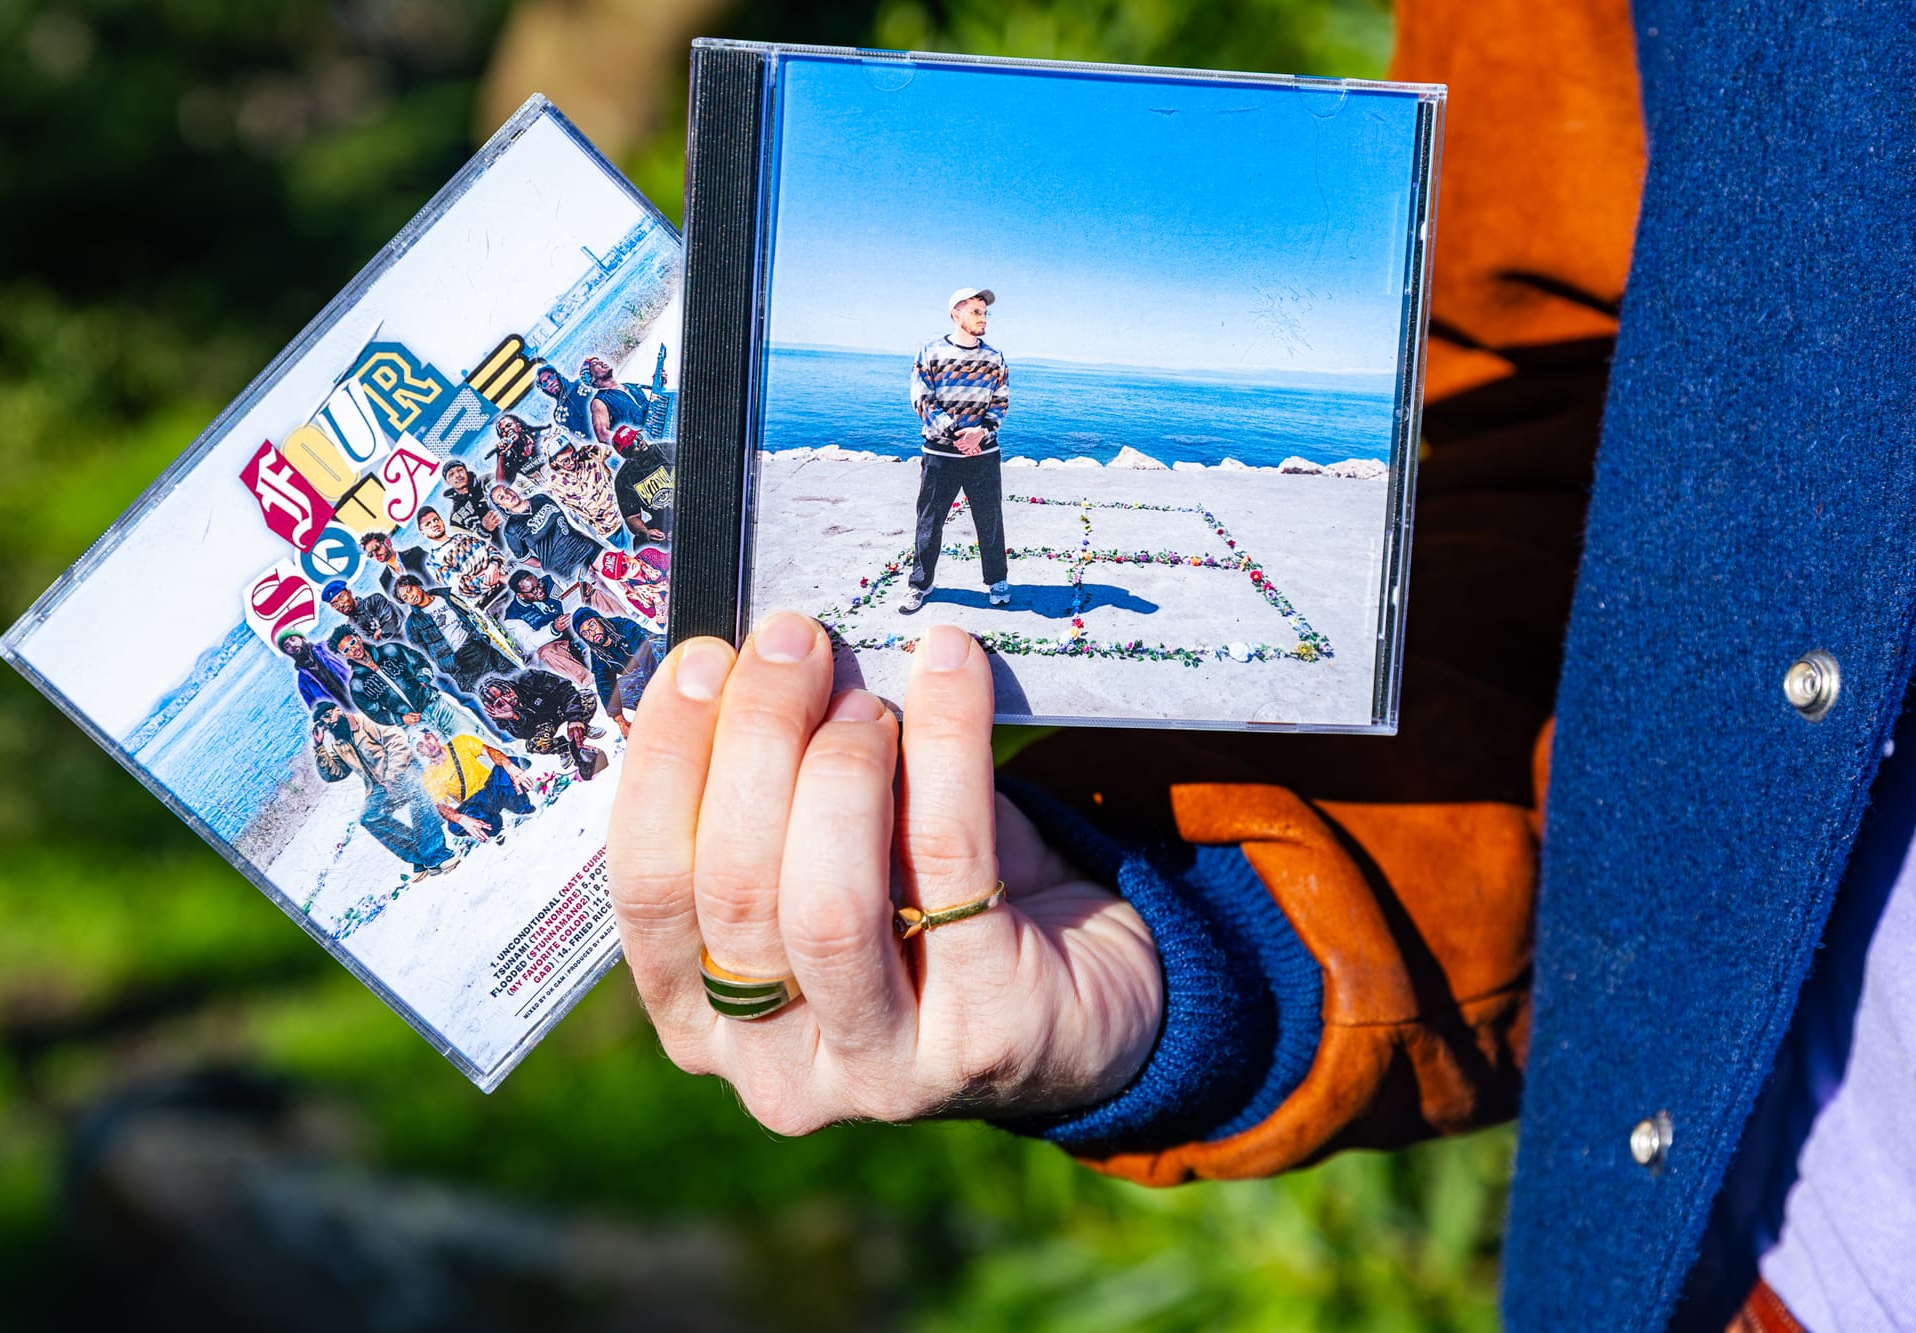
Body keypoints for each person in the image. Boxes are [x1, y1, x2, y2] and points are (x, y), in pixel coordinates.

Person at [605, 1, 1915, 1328]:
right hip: (1753, 1262)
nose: (981, 312)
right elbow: (1575, 461)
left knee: (979, 532)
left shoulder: (986, 361)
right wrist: (1197, 921)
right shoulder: (961, 360)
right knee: (956, 538)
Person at [902, 287, 1010, 613]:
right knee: (930, 521)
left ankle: (997, 581)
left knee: (989, 520)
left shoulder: (995, 358)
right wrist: (954, 431)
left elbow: (1000, 402)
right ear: (957, 314)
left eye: (985, 313)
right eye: (976, 312)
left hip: (983, 455)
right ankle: (921, 584)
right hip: (940, 454)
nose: (983, 318)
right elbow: (921, 397)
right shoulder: (930, 351)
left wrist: (982, 431)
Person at [309, 701, 457, 881]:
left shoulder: (366, 720)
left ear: (337, 710)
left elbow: (397, 742)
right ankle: (420, 856)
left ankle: (437, 855)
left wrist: (392, 776)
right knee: (368, 817)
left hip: (405, 771)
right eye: (323, 723)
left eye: (327, 716)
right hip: (379, 788)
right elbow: (333, 775)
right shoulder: (339, 744)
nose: (328, 723)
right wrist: (318, 747)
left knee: (419, 792)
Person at [389, 575, 519, 720]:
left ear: (417, 584)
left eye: (410, 590)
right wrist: (446, 663)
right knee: (494, 699)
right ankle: (520, 721)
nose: (410, 597)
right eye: (405, 597)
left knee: (514, 676)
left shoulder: (446, 595)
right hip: (460, 662)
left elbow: (467, 613)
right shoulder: (412, 623)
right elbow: (423, 652)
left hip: (478, 646)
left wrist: (480, 635)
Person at [327, 625, 478, 742]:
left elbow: (420, 661)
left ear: (358, 638)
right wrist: (401, 719)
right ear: (343, 655)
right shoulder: (357, 685)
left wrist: (423, 680)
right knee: (447, 765)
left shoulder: (391, 650)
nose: (353, 649)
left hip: (436, 705)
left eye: (352, 642)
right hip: (416, 727)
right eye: (346, 650)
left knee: (475, 739)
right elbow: (375, 713)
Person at [414, 729, 534, 845]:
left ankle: (521, 808)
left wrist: (509, 766)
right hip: (475, 803)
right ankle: (496, 826)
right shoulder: (428, 777)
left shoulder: (460, 742)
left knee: (508, 762)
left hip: (492, 787)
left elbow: (490, 751)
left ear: (434, 737)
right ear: (420, 752)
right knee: (454, 825)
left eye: (428, 738)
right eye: (422, 745)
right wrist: (461, 819)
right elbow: (442, 807)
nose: (428, 744)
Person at [481, 672, 605, 779]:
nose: (507, 699)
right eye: (500, 702)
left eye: (506, 692)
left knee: (587, 698)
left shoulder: (528, 678)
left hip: (561, 707)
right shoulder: (501, 716)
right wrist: (514, 717)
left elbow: (566, 689)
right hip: (544, 724)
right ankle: (563, 748)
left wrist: (574, 718)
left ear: (507, 685)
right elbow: (529, 734)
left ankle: (582, 728)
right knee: (534, 745)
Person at [501, 568, 598, 692]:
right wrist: (553, 629)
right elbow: (529, 643)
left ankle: (623, 632)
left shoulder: (549, 581)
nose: (540, 590)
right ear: (521, 595)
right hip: (558, 641)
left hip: (577, 621)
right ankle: (589, 683)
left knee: (596, 596)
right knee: (545, 652)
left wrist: (583, 591)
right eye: (533, 590)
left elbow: (571, 592)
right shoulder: (513, 616)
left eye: (538, 584)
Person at [570, 608, 657, 737]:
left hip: (661, 658)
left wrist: (656, 686)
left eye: (592, 625)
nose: (592, 633)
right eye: (585, 633)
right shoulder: (598, 654)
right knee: (621, 690)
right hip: (644, 676)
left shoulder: (624, 626)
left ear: (600, 620)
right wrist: (620, 720)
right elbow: (604, 684)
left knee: (656, 648)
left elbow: (646, 652)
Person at [491, 483, 602, 581]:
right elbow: (524, 558)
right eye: (501, 497)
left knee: (616, 569)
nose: (508, 495)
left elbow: (569, 521)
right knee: (602, 593)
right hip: (565, 566)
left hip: (582, 546)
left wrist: (588, 537)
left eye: (506, 490)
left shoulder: (540, 498)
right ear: (501, 506)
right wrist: (547, 564)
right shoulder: (512, 528)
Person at [537, 435, 626, 544]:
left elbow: (617, 455)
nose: (572, 461)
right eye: (565, 461)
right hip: (609, 532)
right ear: (554, 462)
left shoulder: (590, 454)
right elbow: (568, 517)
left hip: (626, 515)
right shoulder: (554, 486)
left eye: (573, 455)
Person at [415, 506, 509, 605]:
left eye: (436, 520)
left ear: (442, 521)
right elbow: (460, 585)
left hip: (507, 581)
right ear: (423, 532)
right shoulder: (433, 561)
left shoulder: (462, 537)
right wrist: (494, 578)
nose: (434, 524)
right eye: (428, 524)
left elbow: (490, 550)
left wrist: (493, 565)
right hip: (488, 602)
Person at [608, 425, 672, 546]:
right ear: (625, 453)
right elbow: (632, 518)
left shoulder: (667, 449)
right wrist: (646, 532)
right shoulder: (624, 479)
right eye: (633, 443)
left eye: (638, 437)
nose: (640, 442)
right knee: (640, 543)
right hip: (663, 523)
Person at [581, 355, 658, 444]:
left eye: (599, 360)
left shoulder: (630, 386)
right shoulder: (599, 402)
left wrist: (659, 386)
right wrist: (633, 439)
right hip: (646, 444)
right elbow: (602, 435)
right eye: (595, 364)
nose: (601, 362)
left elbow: (649, 406)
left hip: (662, 429)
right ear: (592, 379)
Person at [276, 628, 351, 711]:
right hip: (349, 713)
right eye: (287, 646)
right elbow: (316, 710)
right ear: (288, 654)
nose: (292, 645)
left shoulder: (327, 647)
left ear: (302, 638)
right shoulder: (303, 682)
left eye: (293, 640)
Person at [595, 545, 668, 627]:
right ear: (622, 579)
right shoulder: (632, 595)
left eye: (623, 559)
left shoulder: (646, 554)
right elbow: (661, 623)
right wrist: (657, 598)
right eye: (623, 568)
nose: (628, 564)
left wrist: (655, 588)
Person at [321, 578, 401, 644]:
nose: (341, 605)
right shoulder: (351, 626)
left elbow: (393, 623)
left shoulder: (375, 600)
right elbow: (374, 645)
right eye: (335, 604)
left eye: (341, 597)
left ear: (349, 592)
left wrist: (382, 631)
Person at [533, 362, 597, 442]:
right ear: (545, 390)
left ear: (557, 376)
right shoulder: (559, 416)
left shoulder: (582, 383)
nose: (550, 383)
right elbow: (582, 439)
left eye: (551, 377)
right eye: (545, 383)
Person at [358, 530, 431, 596]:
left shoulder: (415, 553)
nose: (375, 554)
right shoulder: (384, 580)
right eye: (371, 554)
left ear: (388, 542)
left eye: (376, 548)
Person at [438, 461, 500, 538]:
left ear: (466, 471)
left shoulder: (489, 479)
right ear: (447, 482)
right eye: (451, 474)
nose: (457, 475)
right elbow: (471, 540)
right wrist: (484, 530)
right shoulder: (455, 518)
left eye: (460, 470)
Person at [489, 413, 551, 487]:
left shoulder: (540, 437)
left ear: (519, 426)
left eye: (509, 425)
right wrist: (501, 456)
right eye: (502, 431)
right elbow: (502, 484)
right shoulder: (510, 457)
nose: (507, 430)